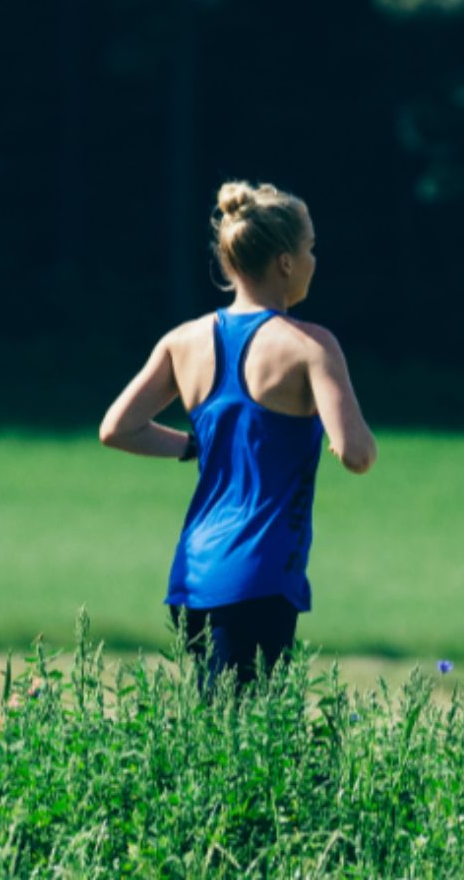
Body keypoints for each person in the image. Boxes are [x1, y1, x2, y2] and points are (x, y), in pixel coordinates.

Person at [100, 181, 376, 688]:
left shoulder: (183, 341)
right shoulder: (312, 346)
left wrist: (190, 446)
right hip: (260, 576)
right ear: (285, 263)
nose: (316, 258)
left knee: (222, 742)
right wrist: (344, 434)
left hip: (193, 573)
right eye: (310, 247)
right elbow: (358, 454)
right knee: (247, 753)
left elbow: (116, 428)